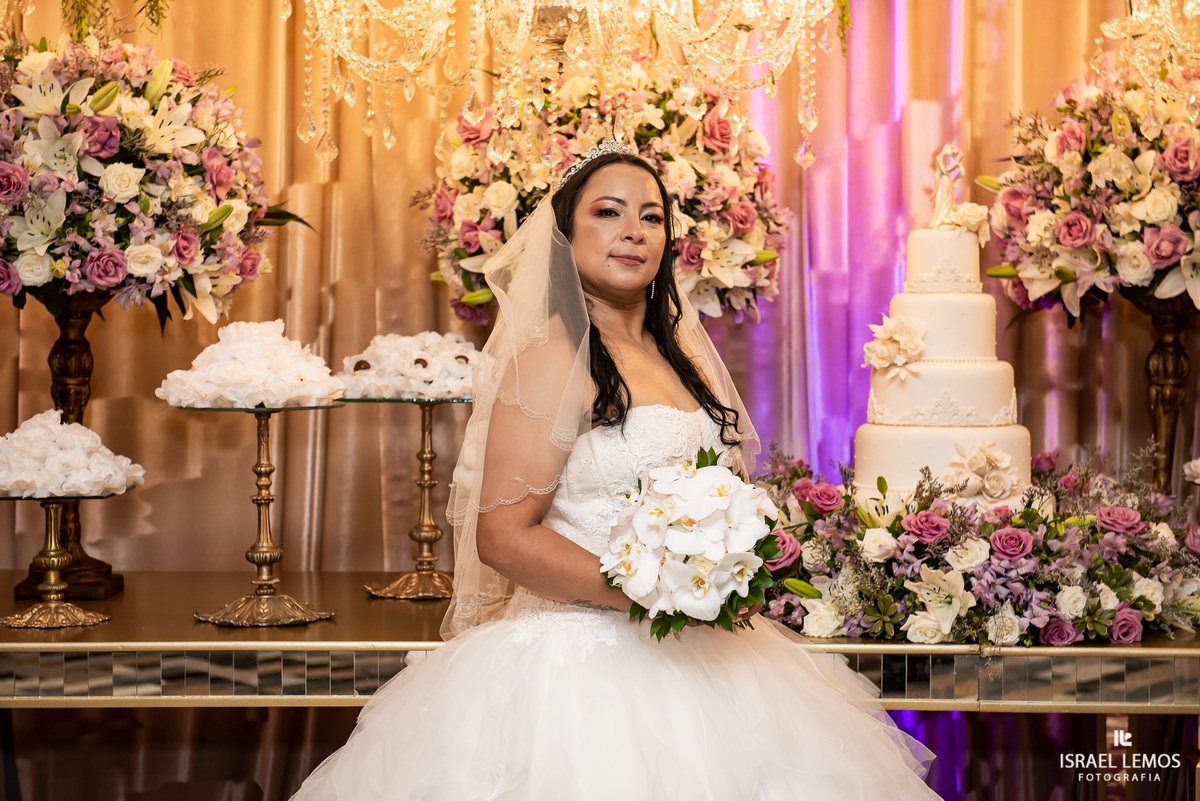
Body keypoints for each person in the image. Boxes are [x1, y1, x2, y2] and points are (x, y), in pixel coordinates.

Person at [291, 144, 941, 800]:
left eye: (652, 217)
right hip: (576, 669)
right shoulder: (550, 356)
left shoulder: (682, 356)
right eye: (609, 212)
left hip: (714, 651)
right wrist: (652, 592)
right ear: (566, 234)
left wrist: (734, 557)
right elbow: (505, 536)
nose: (634, 230)